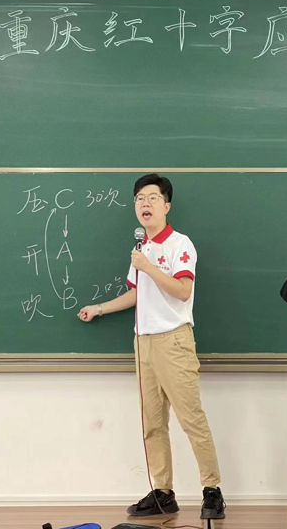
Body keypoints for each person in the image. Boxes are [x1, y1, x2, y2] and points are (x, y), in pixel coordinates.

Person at [78, 174, 225, 520]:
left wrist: (147, 266)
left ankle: (212, 490)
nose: (145, 204)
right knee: (153, 424)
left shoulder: (179, 244)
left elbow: (182, 290)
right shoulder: (141, 249)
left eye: (153, 198)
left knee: (192, 419)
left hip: (173, 340)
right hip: (143, 343)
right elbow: (137, 294)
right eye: (140, 198)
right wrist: (99, 308)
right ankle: (163, 493)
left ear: (166, 205)